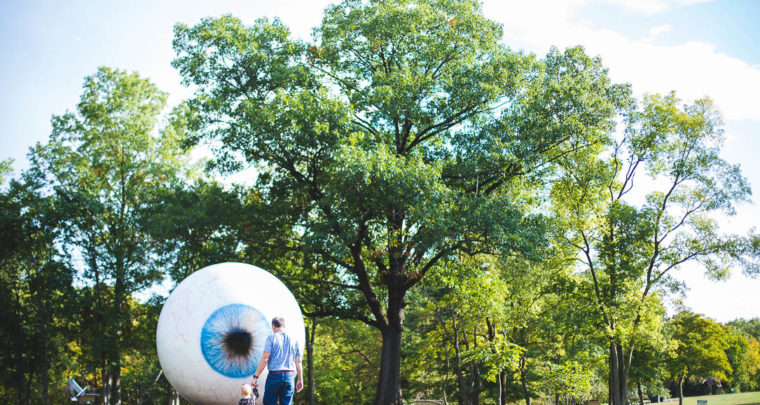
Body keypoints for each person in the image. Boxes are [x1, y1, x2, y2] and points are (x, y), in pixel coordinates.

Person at [251, 317, 303, 405]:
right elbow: (298, 362)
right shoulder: (294, 339)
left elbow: (265, 358)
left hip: (274, 376)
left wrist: (255, 377)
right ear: (284, 326)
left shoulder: (271, 338)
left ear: (274, 326)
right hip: (289, 376)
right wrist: (300, 379)